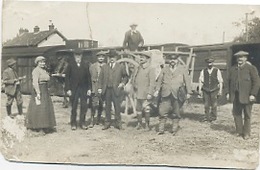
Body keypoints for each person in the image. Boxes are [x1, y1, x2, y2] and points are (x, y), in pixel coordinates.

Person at [154, 54, 192, 135]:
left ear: (177, 60)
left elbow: (187, 81)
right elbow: (159, 81)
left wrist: (189, 92)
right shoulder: (164, 69)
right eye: (171, 59)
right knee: (162, 111)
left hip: (177, 93)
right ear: (169, 61)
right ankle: (161, 130)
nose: (173, 61)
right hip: (165, 93)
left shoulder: (182, 69)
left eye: (174, 59)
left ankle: (174, 130)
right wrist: (157, 90)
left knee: (176, 111)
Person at [227, 51, 260, 140]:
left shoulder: (251, 68)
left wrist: (253, 94)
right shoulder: (233, 69)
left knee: (247, 115)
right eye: (238, 58)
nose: (240, 59)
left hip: (247, 96)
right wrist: (228, 93)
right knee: (236, 114)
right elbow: (228, 82)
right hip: (236, 96)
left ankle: (246, 133)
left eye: (242, 57)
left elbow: (256, 82)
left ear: (246, 58)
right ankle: (239, 131)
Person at [98, 50, 128, 130]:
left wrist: (122, 83)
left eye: (113, 57)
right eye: (110, 57)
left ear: (116, 57)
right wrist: (100, 88)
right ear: (108, 58)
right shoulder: (104, 67)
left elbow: (125, 77)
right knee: (107, 107)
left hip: (116, 90)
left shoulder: (120, 67)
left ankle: (118, 123)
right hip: (107, 89)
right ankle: (107, 123)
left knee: (117, 107)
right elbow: (100, 78)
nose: (112, 59)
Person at [25, 56, 56, 133]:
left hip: (45, 90)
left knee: (46, 107)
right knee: (39, 108)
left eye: (43, 62)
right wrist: (38, 93)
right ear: (37, 63)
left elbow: (47, 80)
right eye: (41, 62)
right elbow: (35, 82)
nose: (43, 63)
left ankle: (46, 125)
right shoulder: (36, 71)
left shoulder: (44, 70)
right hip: (39, 90)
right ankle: (38, 126)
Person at [65, 49, 92, 130]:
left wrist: (89, 89)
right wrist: (68, 89)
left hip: (83, 89)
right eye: (76, 56)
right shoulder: (70, 65)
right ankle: (73, 123)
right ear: (74, 56)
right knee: (74, 106)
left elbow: (88, 78)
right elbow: (67, 78)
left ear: (81, 56)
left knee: (84, 106)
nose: (78, 57)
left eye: (79, 56)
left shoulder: (85, 65)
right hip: (74, 89)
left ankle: (82, 123)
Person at [132, 51, 156, 130]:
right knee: (138, 109)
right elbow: (134, 78)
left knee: (146, 108)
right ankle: (139, 123)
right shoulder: (138, 67)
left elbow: (152, 82)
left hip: (145, 93)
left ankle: (147, 125)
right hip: (138, 92)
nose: (141, 59)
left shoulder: (150, 69)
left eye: (143, 57)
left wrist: (150, 93)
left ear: (147, 59)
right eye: (140, 57)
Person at [198, 57, 223, 122]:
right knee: (206, 104)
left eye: (211, 63)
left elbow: (220, 81)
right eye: (208, 63)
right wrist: (200, 90)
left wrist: (220, 90)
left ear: (213, 63)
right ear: (206, 63)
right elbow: (201, 81)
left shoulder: (217, 70)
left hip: (214, 89)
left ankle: (213, 117)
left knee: (214, 104)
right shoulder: (203, 71)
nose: (209, 64)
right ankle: (207, 117)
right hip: (205, 89)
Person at [88, 51, 107, 127]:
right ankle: (92, 119)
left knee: (101, 104)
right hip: (94, 86)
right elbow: (89, 78)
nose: (101, 58)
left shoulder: (106, 66)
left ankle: (99, 118)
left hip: (103, 87)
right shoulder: (92, 66)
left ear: (104, 58)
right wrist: (90, 88)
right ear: (97, 58)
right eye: (99, 57)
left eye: (102, 57)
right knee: (94, 104)